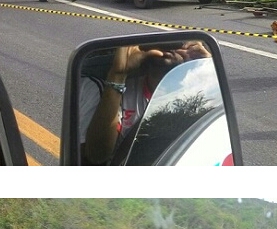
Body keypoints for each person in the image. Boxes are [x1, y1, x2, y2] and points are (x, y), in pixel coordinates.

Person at [79, 40, 212, 165]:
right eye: (159, 41)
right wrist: (118, 74)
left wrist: (208, 69)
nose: (167, 46)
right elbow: (97, 156)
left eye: (175, 42)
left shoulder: (197, 92)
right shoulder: (118, 95)